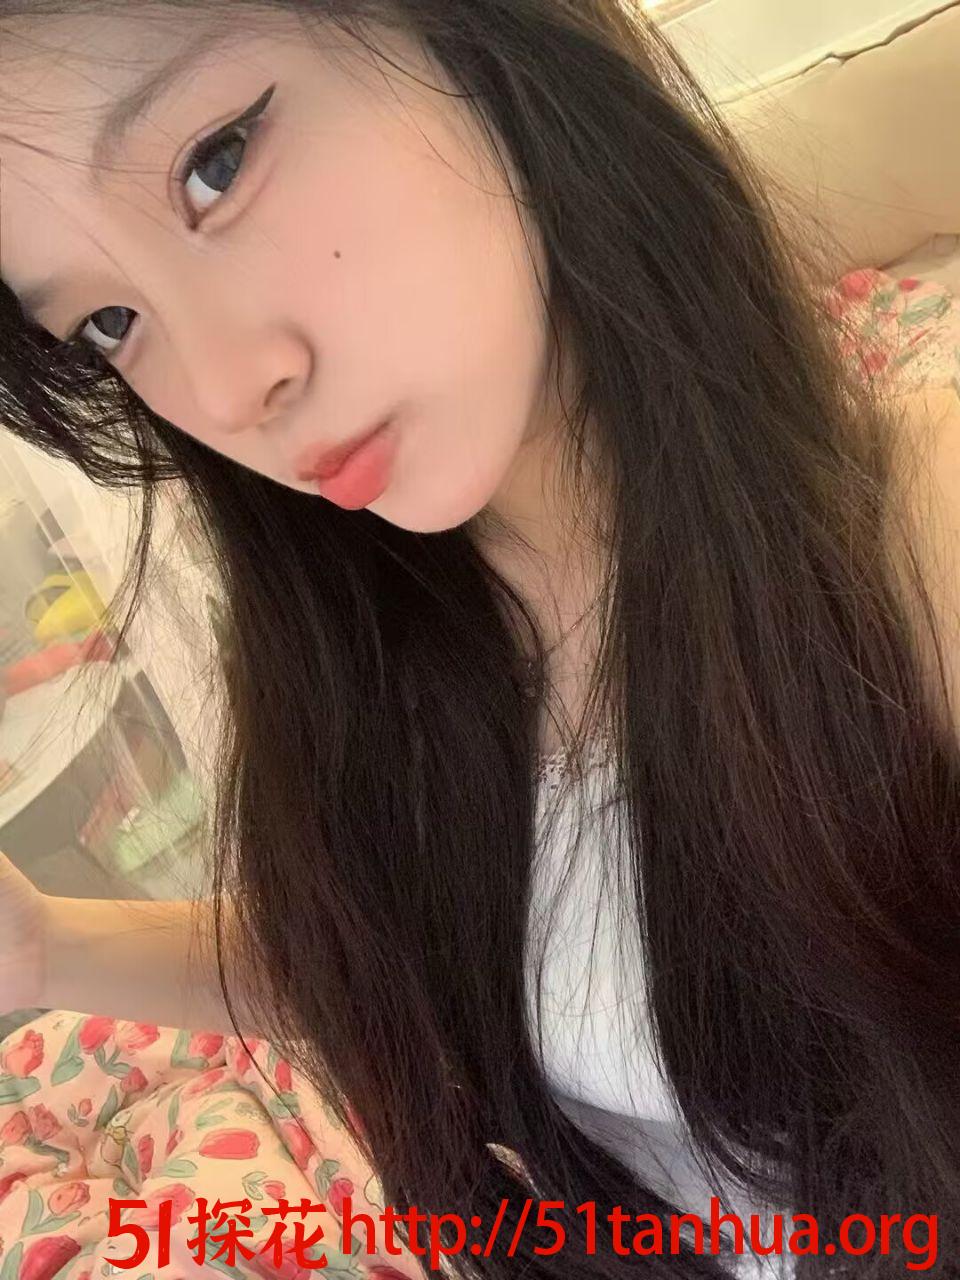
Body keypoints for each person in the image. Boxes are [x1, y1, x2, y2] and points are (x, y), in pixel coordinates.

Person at [0, 3, 958, 1278]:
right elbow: (397, 962)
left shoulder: (914, 542)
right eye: (109, 322)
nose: (226, 390)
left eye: (215, 164)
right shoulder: (372, 650)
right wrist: (48, 945)